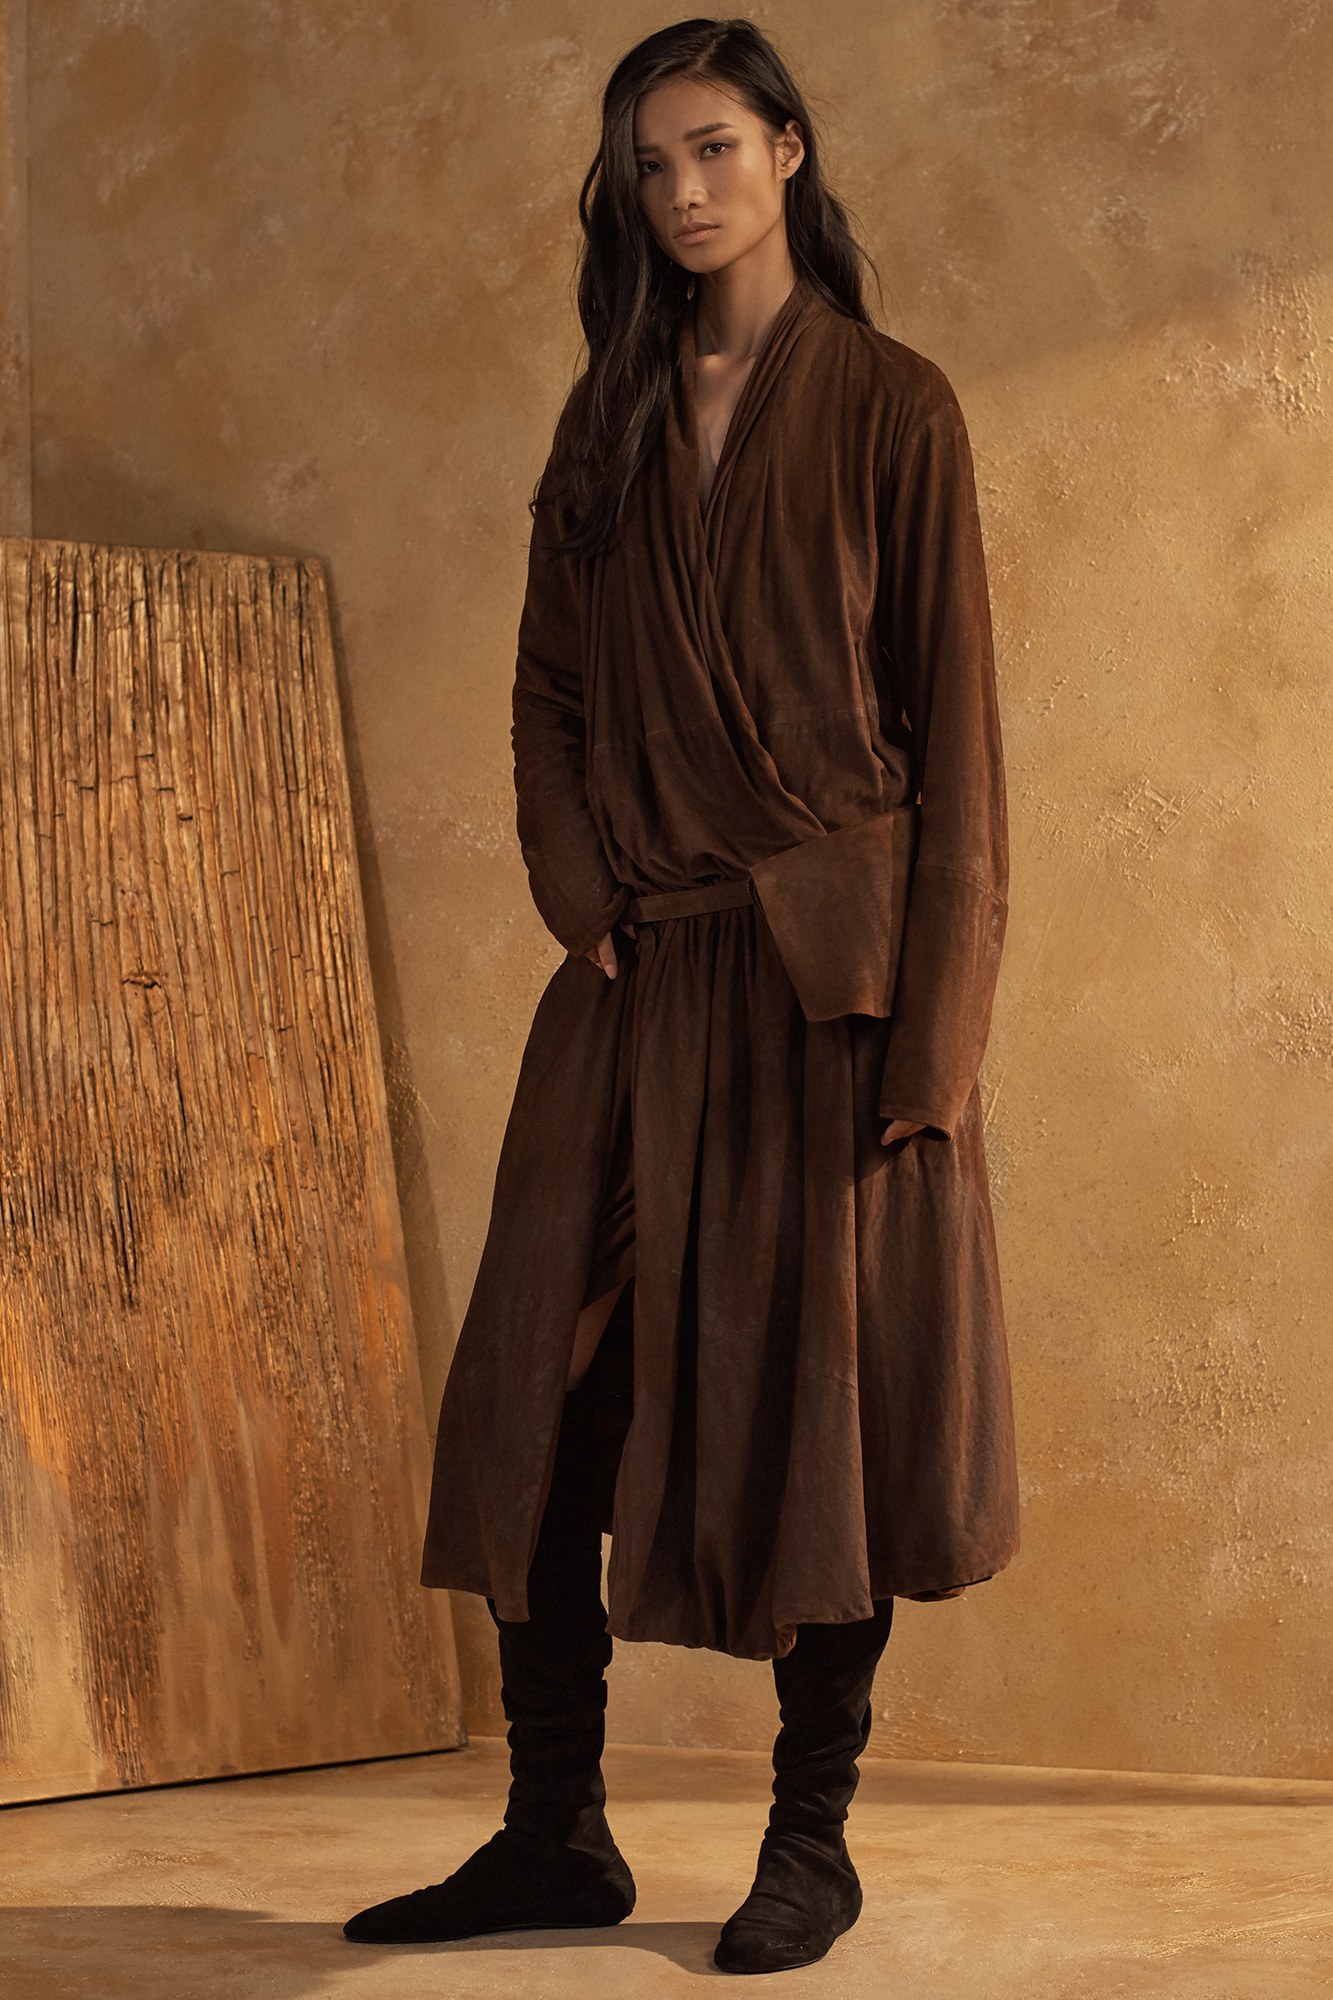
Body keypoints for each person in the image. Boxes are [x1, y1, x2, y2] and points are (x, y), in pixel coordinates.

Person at [345, 14, 1019, 1977]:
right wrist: (578, 892)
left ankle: (809, 1846)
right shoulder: (608, 418)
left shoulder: (893, 407)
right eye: (648, 165)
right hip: (640, 974)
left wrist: (933, 1043)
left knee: (825, 1411)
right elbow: (545, 693)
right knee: (534, 1398)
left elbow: (961, 746)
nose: (681, 191)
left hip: (831, 994)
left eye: (713, 146)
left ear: (788, 150)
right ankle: (553, 1833)